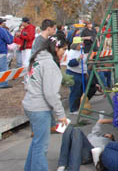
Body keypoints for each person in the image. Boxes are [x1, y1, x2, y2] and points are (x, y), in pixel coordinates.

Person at [22, 37, 68, 171]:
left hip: (31, 103)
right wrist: (61, 114)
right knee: (41, 147)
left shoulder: (36, 59)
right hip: (39, 108)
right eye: (63, 49)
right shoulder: (49, 64)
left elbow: (27, 83)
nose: (64, 52)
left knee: (37, 142)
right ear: (56, 48)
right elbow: (51, 93)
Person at [66, 37, 87, 114]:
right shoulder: (72, 52)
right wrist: (78, 59)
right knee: (75, 91)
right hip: (74, 73)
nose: (81, 46)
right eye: (80, 44)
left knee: (81, 91)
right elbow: (70, 63)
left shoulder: (81, 51)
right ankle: (73, 109)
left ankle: (80, 105)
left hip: (82, 73)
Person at [0, 17, 14, 88]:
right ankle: (3, 83)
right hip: (1, 51)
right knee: (3, 68)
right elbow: (9, 41)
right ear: (1, 23)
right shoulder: (2, 30)